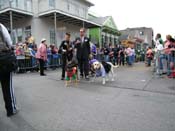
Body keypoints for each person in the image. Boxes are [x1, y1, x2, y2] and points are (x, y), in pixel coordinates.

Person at [0, 23, 18, 117]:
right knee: (7, 87)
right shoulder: (1, 26)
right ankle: (11, 109)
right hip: (3, 60)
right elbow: (9, 42)